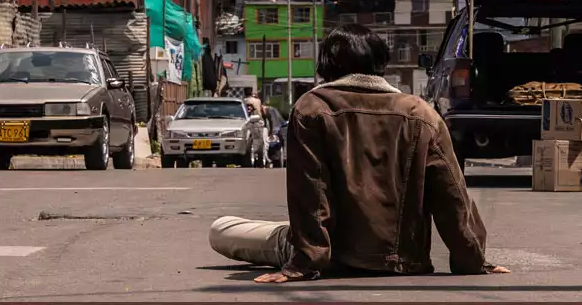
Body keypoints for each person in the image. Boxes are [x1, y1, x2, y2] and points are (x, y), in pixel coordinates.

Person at [209, 24, 509, 283]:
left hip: (332, 257)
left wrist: (304, 262)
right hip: (404, 260)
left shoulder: (313, 107)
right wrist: (473, 260)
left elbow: (312, 191)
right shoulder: (420, 113)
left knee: (222, 230)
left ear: (326, 65)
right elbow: (452, 195)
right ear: (381, 63)